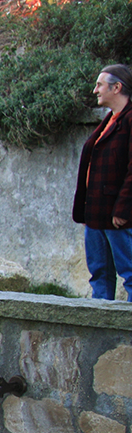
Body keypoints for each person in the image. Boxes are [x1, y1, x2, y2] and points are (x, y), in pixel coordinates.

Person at [73, 64, 132, 300]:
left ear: (117, 87)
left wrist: (123, 208)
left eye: (100, 85)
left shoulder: (129, 120)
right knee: (99, 275)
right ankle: (100, 332)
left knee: (129, 271)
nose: (95, 90)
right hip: (96, 214)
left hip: (117, 216)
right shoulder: (110, 120)